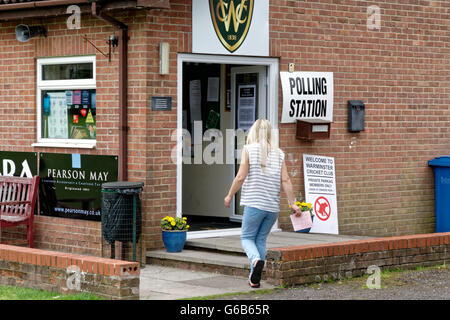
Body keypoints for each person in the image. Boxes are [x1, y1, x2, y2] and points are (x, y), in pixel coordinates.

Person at [224, 119, 301, 288]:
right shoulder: (279, 153)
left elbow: (240, 177)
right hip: (272, 208)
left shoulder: (249, 150)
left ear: (253, 132)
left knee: (246, 237)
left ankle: (255, 260)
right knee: (260, 239)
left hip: (254, 204)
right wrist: (292, 204)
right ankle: (254, 279)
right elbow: (286, 180)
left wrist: (230, 195)